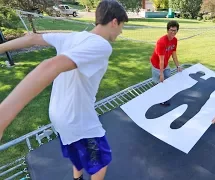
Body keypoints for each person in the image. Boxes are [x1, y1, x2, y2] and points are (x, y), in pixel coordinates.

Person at [0, 1, 128, 179]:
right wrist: (3, 117)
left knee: (77, 154)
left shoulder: (72, 37)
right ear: (114, 22)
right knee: (100, 164)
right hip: (80, 121)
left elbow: (31, 39)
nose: (121, 31)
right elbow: (50, 66)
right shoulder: (102, 45)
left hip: (58, 116)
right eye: (122, 26)